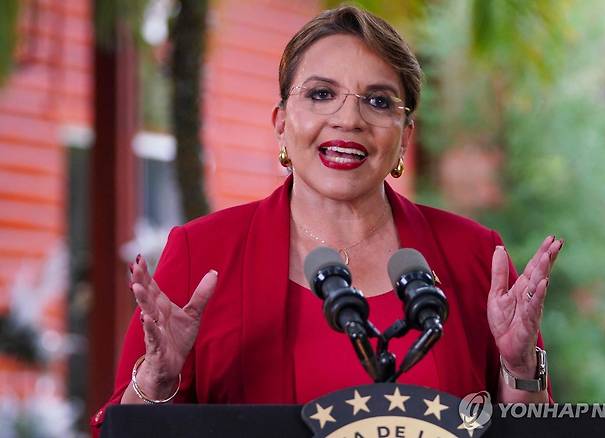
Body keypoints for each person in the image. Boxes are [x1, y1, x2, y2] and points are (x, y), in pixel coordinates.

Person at [91, 5, 563, 433]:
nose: (348, 119)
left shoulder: (475, 255)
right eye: (321, 94)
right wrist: (157, 381)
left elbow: (533, 432)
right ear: (281, 122)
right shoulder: (203, 253)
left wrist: (521, 368)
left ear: (404, 137)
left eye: (378, 101)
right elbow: (116, 432)